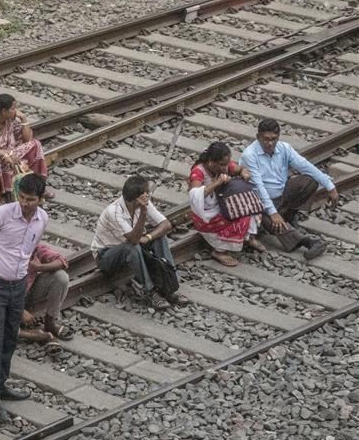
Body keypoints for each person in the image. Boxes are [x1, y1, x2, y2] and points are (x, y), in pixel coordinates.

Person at [0, 173, 48, 425]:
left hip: (17, 287)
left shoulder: (41, 220)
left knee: (10, 337)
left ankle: (1, 383)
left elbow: (29, 250)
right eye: (22, 198)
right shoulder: (1, 215)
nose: (25, 203)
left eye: (31, 199)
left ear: (40, 199)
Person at [240, 119, 334, 259]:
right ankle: (307, 242)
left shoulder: (284, 148)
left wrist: (330, 186)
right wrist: (272, 213)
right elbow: (259, 187)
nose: (270, 143)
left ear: (278, 137)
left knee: (309, 181)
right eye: (266, 139)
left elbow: (305, 166)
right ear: (258, 136)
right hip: (258, 201)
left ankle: (288, 215)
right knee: (268, 217)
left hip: (281, 194)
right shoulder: (250, 155)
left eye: (274, 139)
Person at [91, 175, 185, 308]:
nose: (147, 198)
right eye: (143, 197)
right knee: (132, 247)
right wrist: (143, 212)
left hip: (131, 248)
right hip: (106, 256)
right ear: (135, 200)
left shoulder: (143, 201)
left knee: (159, 237)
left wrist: (148, 237)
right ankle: (150, 292)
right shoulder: (114, 212)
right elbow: (134, 240)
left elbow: (166, 225)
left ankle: (169, 286)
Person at [189, 142, 266, 267]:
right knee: (243, 216)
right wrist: (216, 184)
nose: (225, 168)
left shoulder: (224, 165)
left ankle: (249, 237)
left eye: (226, 164)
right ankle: (219, 251)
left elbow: (240, 168)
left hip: (220, 205)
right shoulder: (198, 171)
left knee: (250, 205)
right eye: (222, 165)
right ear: (210, 161)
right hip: (206, 215)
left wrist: (244, 173)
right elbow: (194, 195)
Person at [0, 94, 50, 197]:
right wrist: (6, 154)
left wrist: (23, 119)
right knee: (3, 160)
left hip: (7, 152)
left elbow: (27, 139)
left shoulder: (9, 120)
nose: (16, 111)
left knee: (35, 144)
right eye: (13, 108)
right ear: (4, 111)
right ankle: (9, 191)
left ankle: (38, 185)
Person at [18, 243, 73, 343]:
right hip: (5, 298)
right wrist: (19, 309)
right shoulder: (4, 251)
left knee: (61, 277)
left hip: (26, 293)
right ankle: (28, 333)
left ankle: (50, 323)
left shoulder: (33, 247)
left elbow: (62, 261)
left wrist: (40, 267)